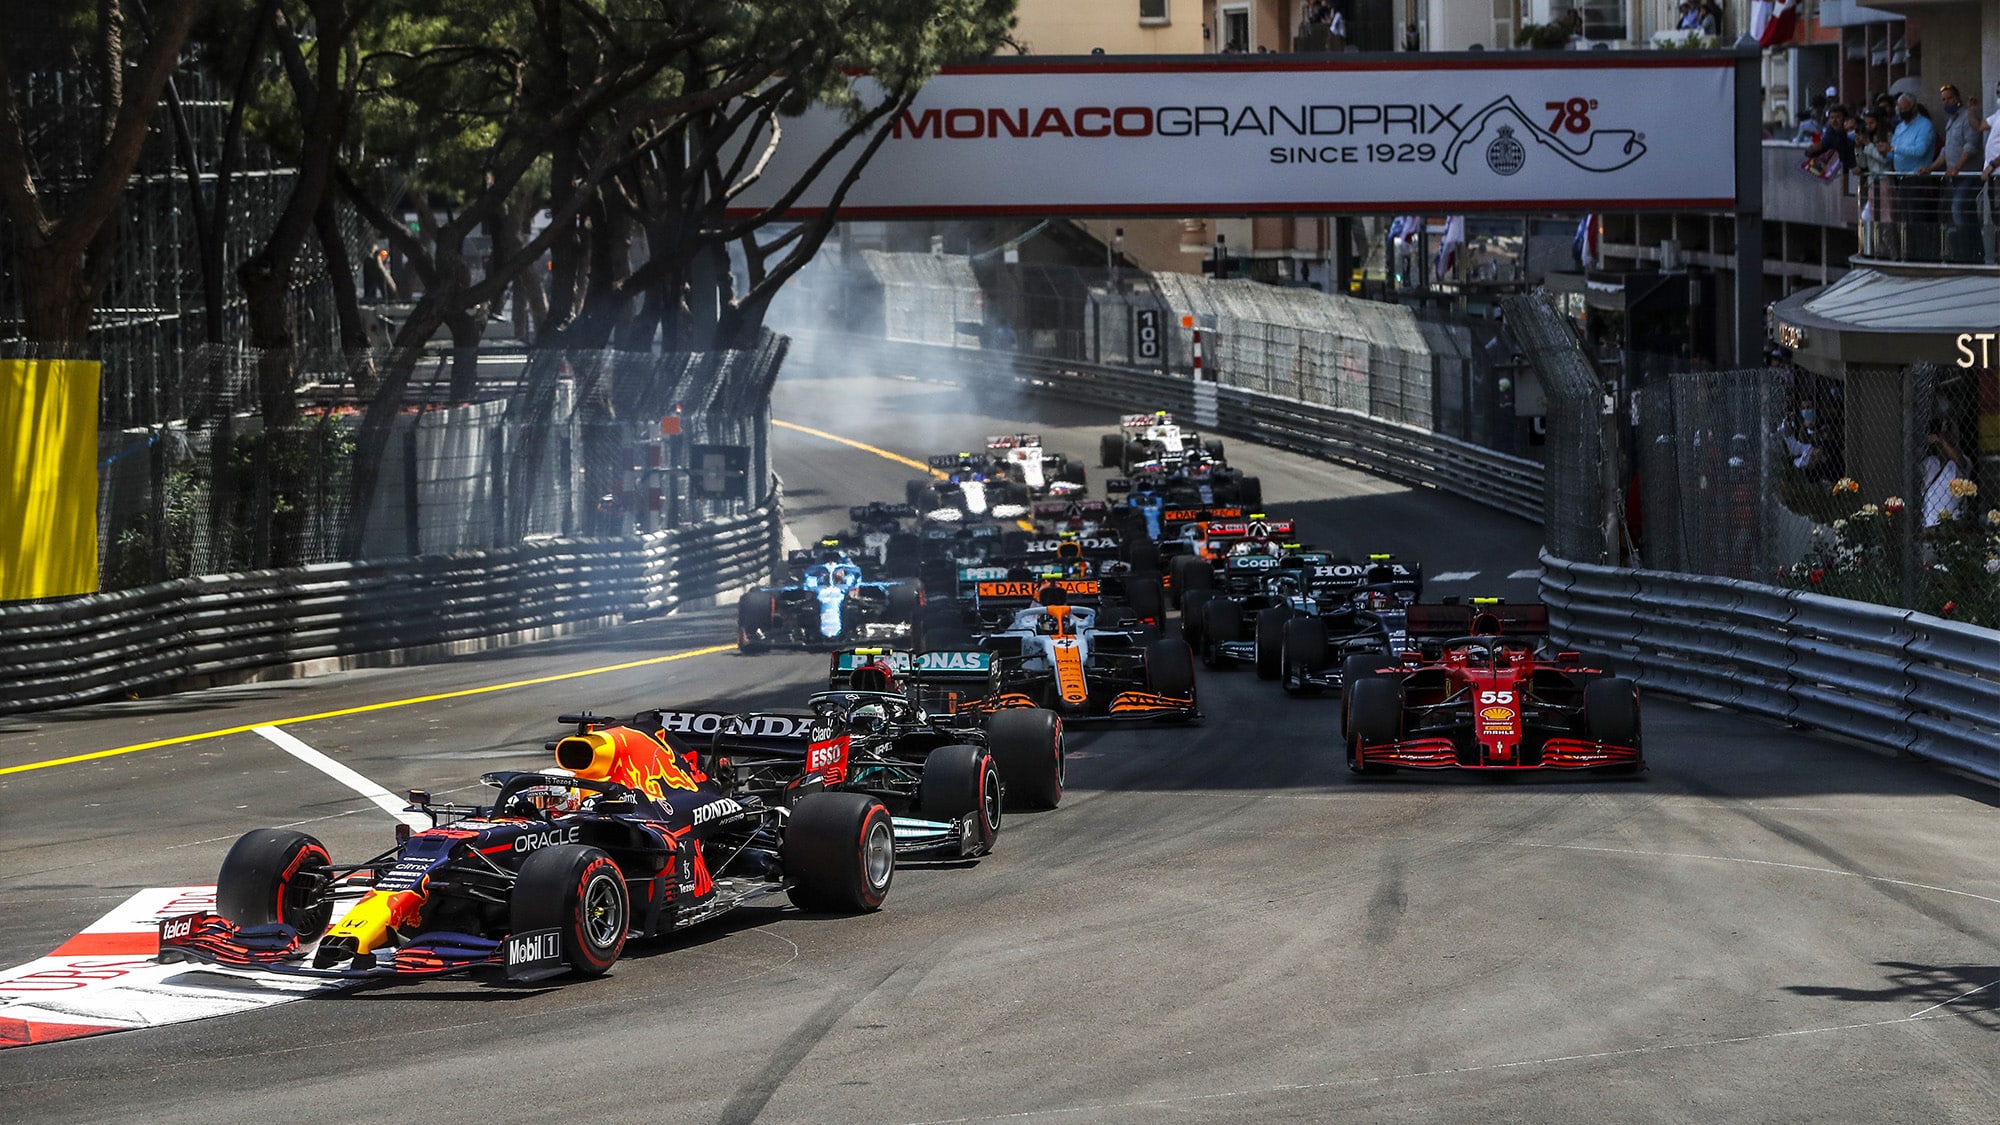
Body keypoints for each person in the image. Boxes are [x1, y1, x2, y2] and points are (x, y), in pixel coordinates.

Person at [1929, 84, 1980, 260]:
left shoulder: (1967, 118)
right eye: (1944, 99)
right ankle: (1975, 251)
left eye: (1950, 98)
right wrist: (1931, 167)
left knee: (1958, 208)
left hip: (1967, 175)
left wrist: (1957, 167)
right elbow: (1945, 151)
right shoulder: (1951, 121)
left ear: (1958, 98)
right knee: (1968, 212)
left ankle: (1967, 250)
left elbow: (1971, 146)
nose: (1947, 102)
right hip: (1956, 177)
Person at [1921, 422, 1966, 529]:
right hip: (1929, 521)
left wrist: (1942, 440)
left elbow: (1960, 461)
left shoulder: (1959, 464)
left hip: (1950, 523)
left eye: (1947, 443)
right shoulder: (1930, 462)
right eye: (1939, 444)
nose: (1942, 447)